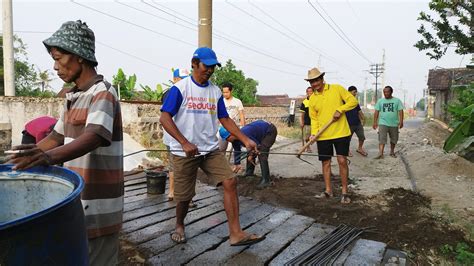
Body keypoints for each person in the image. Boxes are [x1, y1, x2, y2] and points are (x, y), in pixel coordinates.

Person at [9, 21, 123, 265]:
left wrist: (48, 158)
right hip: (77, 204)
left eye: (59, 58)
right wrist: (25, 157)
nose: (55, 66)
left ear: (79, 56)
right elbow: (55, 138)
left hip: (99, 208)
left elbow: (94, 136)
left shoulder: (103, 92)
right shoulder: (74, 96)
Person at [159, 47, 264, 246]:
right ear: (194, 63)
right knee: (184, 197)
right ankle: (179, 225)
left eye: (213, 67)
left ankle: (236, 233)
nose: (210, 70)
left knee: (230, 181)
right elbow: (165, 117)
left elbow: (224, 118)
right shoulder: (180, 89)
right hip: (184, 152)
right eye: (206, 66)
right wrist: (184, 142)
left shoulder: (215, 92)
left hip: (209, 150)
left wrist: (245, 139)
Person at [305, 67, 358, 204]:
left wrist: (340, 109)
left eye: (316, 80)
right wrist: (313, 134)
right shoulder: (312, 99)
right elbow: (314, 119)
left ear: (322, 79)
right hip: (323, 136)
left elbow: (353, 102)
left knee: (342, 161)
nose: (315, 84)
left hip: (341, 133)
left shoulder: (337, 89)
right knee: (326, 163)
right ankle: (328, 190)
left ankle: (345, 192)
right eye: (312, 82)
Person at [163, 68, 197, 208]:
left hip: (174, 137)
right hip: (177, 137)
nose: (184, 81)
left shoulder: (171, 93)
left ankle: (172, 193)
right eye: (181, 78)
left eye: (186, 78)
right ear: (175, 79)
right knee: (183, 169)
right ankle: (184, 198)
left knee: (174, 166)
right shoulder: (175, 93)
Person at [219, 120, 277, 189]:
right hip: (260, 131)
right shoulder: (234, 140)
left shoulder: (245, 134)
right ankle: (249, 173)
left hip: (269, 131)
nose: (227, 140)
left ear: (232, 134)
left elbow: (255, 146)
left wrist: (251, 155)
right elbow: (237, 151)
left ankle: (266, 180)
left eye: (227, 138)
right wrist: (237, 164)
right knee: (250, 153)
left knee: (261, 153)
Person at [373, 85, 404, 159]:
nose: (386, 93)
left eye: (387, 92)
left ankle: (392, 152)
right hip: (383, 123)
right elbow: (376, 112)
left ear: (391, 92)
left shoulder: (397, 101)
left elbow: (400, 111)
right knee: (382, 138)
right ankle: (380, 153)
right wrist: (375, 122)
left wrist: (401, 121)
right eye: (384, 92)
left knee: (394, 139)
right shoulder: (380, 101)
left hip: (394, 123)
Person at [346, 86, 368, 156]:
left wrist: (363, 118)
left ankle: (360, 148)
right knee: (347, 139)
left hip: (357, 123)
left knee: (362, 137)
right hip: (348, 124)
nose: (355, 93)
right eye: (354, 92)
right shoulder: (344, 101)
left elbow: (359, 111)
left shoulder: (355, 102)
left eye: (356, 92)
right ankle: (347, 150)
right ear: (349, 92)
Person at [299, 87, 314, 152]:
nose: (310, 93)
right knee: (307, 136)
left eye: (311, 91)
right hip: (308, 122)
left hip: (317, 122)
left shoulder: (317, 100)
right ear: (307, 93)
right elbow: (302, 114)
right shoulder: (304, 102)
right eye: (308, 92)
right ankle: (308, 147)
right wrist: (302, 122)